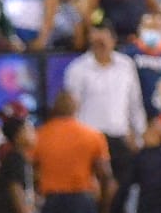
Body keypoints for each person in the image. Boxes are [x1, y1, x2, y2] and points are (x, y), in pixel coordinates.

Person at [35, 90, 114, 213]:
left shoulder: (40, 136)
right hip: (83, 201)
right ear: (75, 108)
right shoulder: (93, 135)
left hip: (54, 202)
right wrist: (104, 208)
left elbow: (32, 172)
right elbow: (106, 176)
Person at [62, 17, 145, 190]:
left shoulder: (126, 65)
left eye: (103, 40)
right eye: (95, 40)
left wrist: (139, 137)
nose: (99, 44)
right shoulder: (77, 69)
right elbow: (71, 108)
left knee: (123, 188)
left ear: (113, 40)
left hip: (119, 138)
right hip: (89, 140)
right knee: (93, 188)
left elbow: (134, 104)